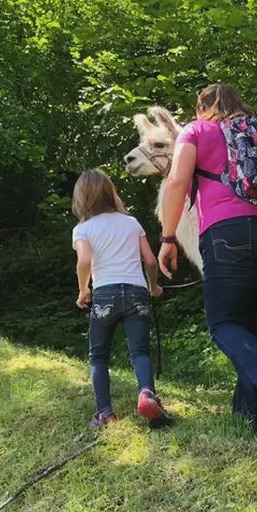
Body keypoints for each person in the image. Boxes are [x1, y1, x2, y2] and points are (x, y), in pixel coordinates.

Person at [157, 83, 257, 435]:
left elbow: (176, 182)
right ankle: (251, 419)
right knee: (253, 325)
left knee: (223, 323)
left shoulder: (198, 130)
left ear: (203, 107)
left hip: (229, 233)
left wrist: (168, 237)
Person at [72, 169, 172, 429]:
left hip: (104, 293)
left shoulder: (83, 228)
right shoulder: (131, 222)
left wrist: (84, 289)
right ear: (110, 192)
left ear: (82, 198)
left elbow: (84, 261)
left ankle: (105, 413)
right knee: (139, 351)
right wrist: (154, 286)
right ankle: (147, 395)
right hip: (137, 292)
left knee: (98, 356)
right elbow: (150, 260)